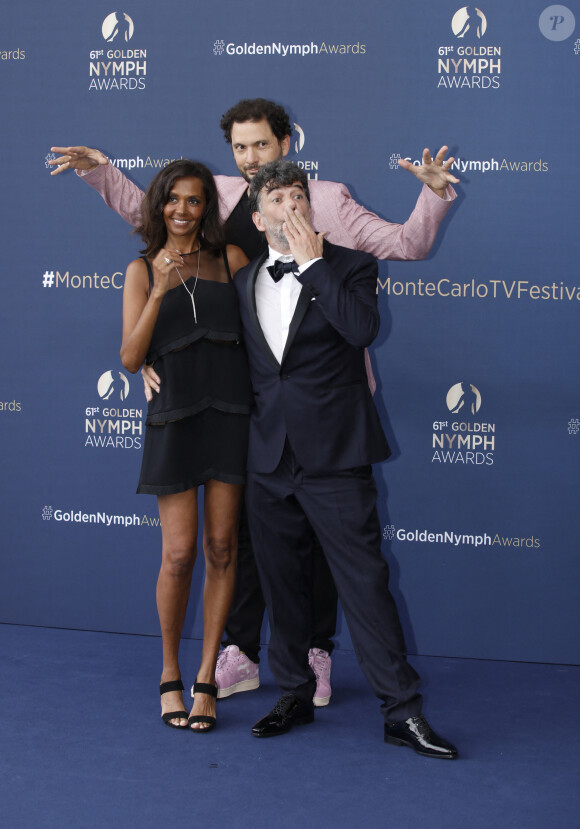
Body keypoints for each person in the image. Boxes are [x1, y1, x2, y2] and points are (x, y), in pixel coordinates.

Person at [49, 97, 459, 705]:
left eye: (260, 146)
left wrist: (433, 197)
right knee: (242, 534)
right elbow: (160, 220)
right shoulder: (214, 194)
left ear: (287, 144)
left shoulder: (327, 200)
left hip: (322, 402)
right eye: (239, 147)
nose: (249, 159)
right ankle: (242, 652)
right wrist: (101, 173)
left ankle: (316, 655)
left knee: (317, 543)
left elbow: (405, 244)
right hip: (243, 399)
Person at [234, 159, 458, 759]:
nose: (291, 207)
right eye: (277, 200)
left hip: (335, 455)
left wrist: (312, 265)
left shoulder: (352, 267)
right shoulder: (243, 281)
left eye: (297, 196)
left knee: (365, 585)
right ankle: (294, 693)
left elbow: (360, 331)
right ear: (259, 219)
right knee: (282, 588)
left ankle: (401, 711)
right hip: (267, 460)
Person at [119, 159, 250, 731]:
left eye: (194, 201)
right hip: (174, 418)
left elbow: (261, 337)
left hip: (230, 417)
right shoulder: (141, 269)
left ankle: (206, 679)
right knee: (178, 555)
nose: (182, 210)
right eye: (172, 200)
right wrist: (160, 292)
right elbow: (129, 357)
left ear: (207, 209)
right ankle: (170, 673)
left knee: (222, 550)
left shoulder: (232, 260)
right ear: (158, 205)